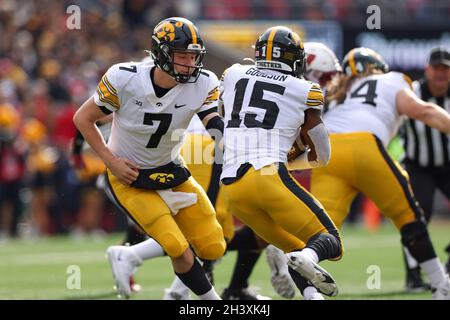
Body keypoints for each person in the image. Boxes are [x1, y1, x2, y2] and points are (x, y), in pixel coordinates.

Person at [73, 17, 226, 300]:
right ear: (161, 53)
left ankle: (128, 255)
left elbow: (212, 121)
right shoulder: (124, 78)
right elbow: (83, 118)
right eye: (182, 56)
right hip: (130, 176)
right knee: (175, 246)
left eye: (194, 56)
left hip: (173, 170)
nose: (190, 63)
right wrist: (110, 161)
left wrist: (226, 144)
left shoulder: (204, 82)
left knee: (214, 246)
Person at [309, 47, 450, 300]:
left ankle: (307, 267)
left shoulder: (340, 93)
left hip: (329, 153)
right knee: (408, 215)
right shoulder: (392, 80)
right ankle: (441, 284)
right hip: (364, 147)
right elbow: (425, 111)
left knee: (322, 229)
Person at [105, 115, 294, 300]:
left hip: (193, 142)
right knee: (207, 226)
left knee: (219, 232)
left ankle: (204, 288)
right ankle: (134, 256)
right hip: (212, 144)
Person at [220, 26, 343, 300]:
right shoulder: (306, 89)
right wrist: (298, 152)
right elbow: (322, 154)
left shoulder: (233, 74)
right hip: (267, 176)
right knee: (331, 243)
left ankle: (313, 297)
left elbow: (223, 120)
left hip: (231, 185)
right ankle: (310, 257)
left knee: (295, 249)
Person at [401, 47, 450, 292]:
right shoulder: (412, 93)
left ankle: (448, 269)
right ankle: (413, 275)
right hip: (417, 164)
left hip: (448, 164)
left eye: (446, 68)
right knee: (416, 216)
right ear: (427, 70)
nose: (441, 73)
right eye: (437, 68)